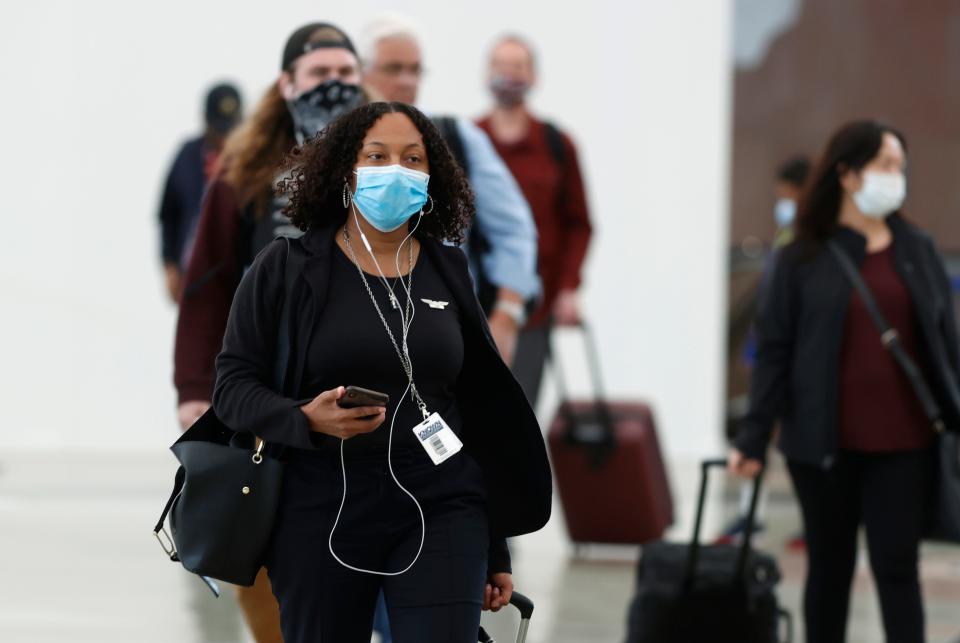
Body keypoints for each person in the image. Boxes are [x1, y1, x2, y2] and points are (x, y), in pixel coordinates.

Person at [212, 101, 552, 643]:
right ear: (346, 169)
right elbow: (231, 388)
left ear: (431, 175)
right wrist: (305, 417)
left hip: (443, 504)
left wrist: (494, 545)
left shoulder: (449, 268)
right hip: (321, 507)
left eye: (413, 158)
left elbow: (476, 408)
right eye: (378, 155)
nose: (397, 170)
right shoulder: (286, 267)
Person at [729, 120, 960, 642]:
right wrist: (753, 437)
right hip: (822, 446)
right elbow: (774, 353)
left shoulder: (916, 249)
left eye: (900, 167)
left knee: (897, 568)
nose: (896, 177)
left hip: (905, 445)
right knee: (829, 572)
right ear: (848, 174)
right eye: (885, 166)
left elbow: (945, 345)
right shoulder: (802, 257)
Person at [173, 22, 367, 643]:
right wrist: (193, 387)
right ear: (287, 83)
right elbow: (206, 284)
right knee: (256, 537)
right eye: (319, 75)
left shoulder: (384, 167)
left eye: (345, 74)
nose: (334, 86)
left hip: (359, 388)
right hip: (263, 392)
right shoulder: (246, 170)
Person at [359, 16, 540, 367]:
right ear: (363, 72)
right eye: (394, 68)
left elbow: (514, 228)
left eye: (415, 69)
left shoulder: (457, 139)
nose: (406, 81)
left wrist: (506, 315)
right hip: (361, 331)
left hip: (447, 331)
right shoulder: (341, 147)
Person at [476, 34, 593, 408]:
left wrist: (569, 289)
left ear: (534, 77)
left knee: (520, 406)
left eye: (518, 67)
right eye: (501, 66)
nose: (509, 75)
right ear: (487, 73)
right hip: (475, 301)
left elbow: (579, 223)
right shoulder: (468, 140)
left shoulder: (558, 145)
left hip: (534, 305)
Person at [157, 83, 242, 302]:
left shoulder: (252, 161)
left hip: (238, 278)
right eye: (219, 129)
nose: (225, 138)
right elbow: (168, 212)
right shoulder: (187, 154)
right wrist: (169, 264)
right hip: (192, 275)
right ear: (205, 119)